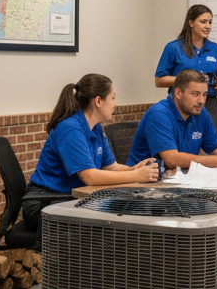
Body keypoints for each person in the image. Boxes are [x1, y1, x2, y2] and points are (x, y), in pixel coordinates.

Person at [22, 73, 159, 237]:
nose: (115, 104)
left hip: (68, 198)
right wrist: (136, 176)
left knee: (129, 211)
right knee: (110, 225)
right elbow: (89, 177)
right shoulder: (71, 128)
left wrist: (133, 169)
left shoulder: (96, 127)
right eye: (113, 98)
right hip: (44, 203)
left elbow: (111, 167)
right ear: (98, 101)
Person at [127, 69, 217, 169]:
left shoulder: (201, 113)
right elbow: (172, 159)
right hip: (143, 185)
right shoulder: (159, 115)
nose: (202, 100)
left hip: (179, 180)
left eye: (204, 94)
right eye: (195, 94)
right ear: (178, 93)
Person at [155, 4, 217, 134]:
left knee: (213, 146)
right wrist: (188, 80)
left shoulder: (216, 49)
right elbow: (159, 80)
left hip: (209, 102)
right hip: (181, 103)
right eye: (203, 21)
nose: (207, 26)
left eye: (210, 22)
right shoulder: (173, 48)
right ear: (191, 22)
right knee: (182, 143)